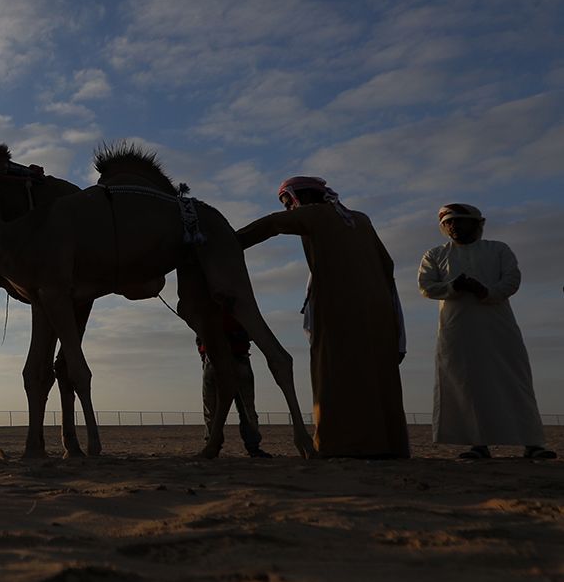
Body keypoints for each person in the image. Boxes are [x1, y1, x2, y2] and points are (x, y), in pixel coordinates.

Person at [237, 177, 410, 459]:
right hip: (378, 309)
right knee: (378, 375)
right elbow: (387, 264)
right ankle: (387, 445)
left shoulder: (314, 215)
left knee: (334, 371)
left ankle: (341, 445)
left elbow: (270, 224)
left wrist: (227, 243)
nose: (288, 210)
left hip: (337, 305)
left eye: (287, 203)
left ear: (300, 197)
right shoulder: (361, 220)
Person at [418, 203, 556, 461]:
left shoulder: (498, 249)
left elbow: (511, 279)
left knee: (514, 380)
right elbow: (426, 287)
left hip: (498, 325)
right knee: (467, 384)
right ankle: (478, 444)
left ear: (477, 224)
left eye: (460, 221)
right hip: (457, 329)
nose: (454, 226)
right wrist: (453, 286)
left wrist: (487, 292)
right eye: (449, 222)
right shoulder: (434, 254)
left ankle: (533, 443)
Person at [197, 315, 270, 458]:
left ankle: (250, 446)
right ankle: (214, 444)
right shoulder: (210, 309)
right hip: (217, 359)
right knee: (213, 408)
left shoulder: (238, 308)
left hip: (235, 357)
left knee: (244, 408)